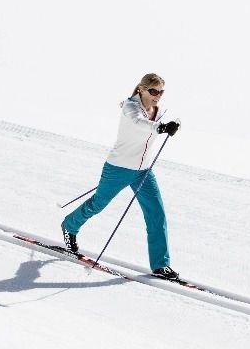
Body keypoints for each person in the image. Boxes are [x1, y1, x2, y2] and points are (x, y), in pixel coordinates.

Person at [62, 72, 183, 280]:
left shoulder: (158, 110)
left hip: (143, 171)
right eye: (153, 91)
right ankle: (69, 225)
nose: (157, 96)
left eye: (161, 92)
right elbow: (139, 124)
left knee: (156, 214)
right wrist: (161, 127)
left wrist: (173, 124)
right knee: (97, 204)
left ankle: (161, 265)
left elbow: (152, 128)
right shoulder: (130, 107)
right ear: (142, 89)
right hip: (118, 167)